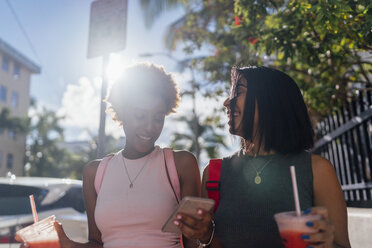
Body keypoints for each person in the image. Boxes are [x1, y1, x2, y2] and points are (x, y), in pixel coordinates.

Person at [174, 66, 351, 248]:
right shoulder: (214, 173)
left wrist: (327, 244)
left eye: (238, 93)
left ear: (271, 100)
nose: (227, 102)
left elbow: (341, 244)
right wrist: (206, 236)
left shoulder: (317, 169)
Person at [49, 63, 200, 248]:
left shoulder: (180, 164)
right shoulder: (95, 173)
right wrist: (67, 245)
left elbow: (194, 242)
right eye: (140, 115)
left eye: (158, 118)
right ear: (121, 112)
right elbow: (97, 243)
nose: (150, 127)